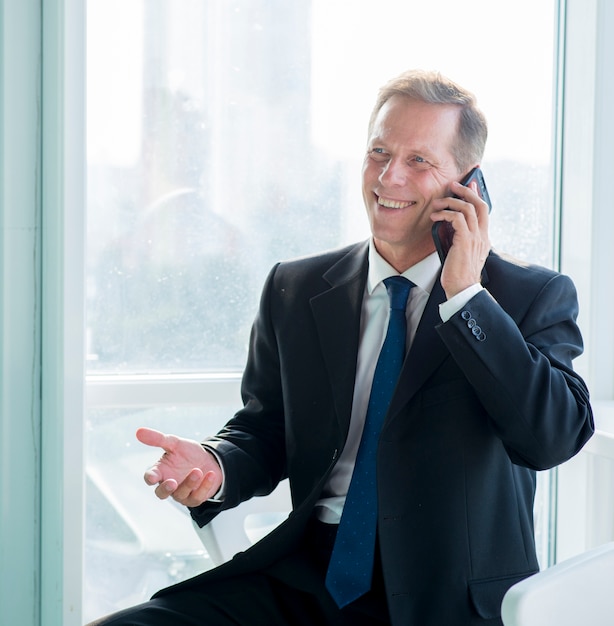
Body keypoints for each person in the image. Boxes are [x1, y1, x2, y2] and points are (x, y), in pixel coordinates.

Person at [88, 69, 594, 626]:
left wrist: (466, 296)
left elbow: (552, 438)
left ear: (467, 184)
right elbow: (263, 428)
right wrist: (215, 464)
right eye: (379, 151)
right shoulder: (297, 287)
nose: (389, 176)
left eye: (419, 161)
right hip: (305, 578)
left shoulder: (527, 296)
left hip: (444, 598)